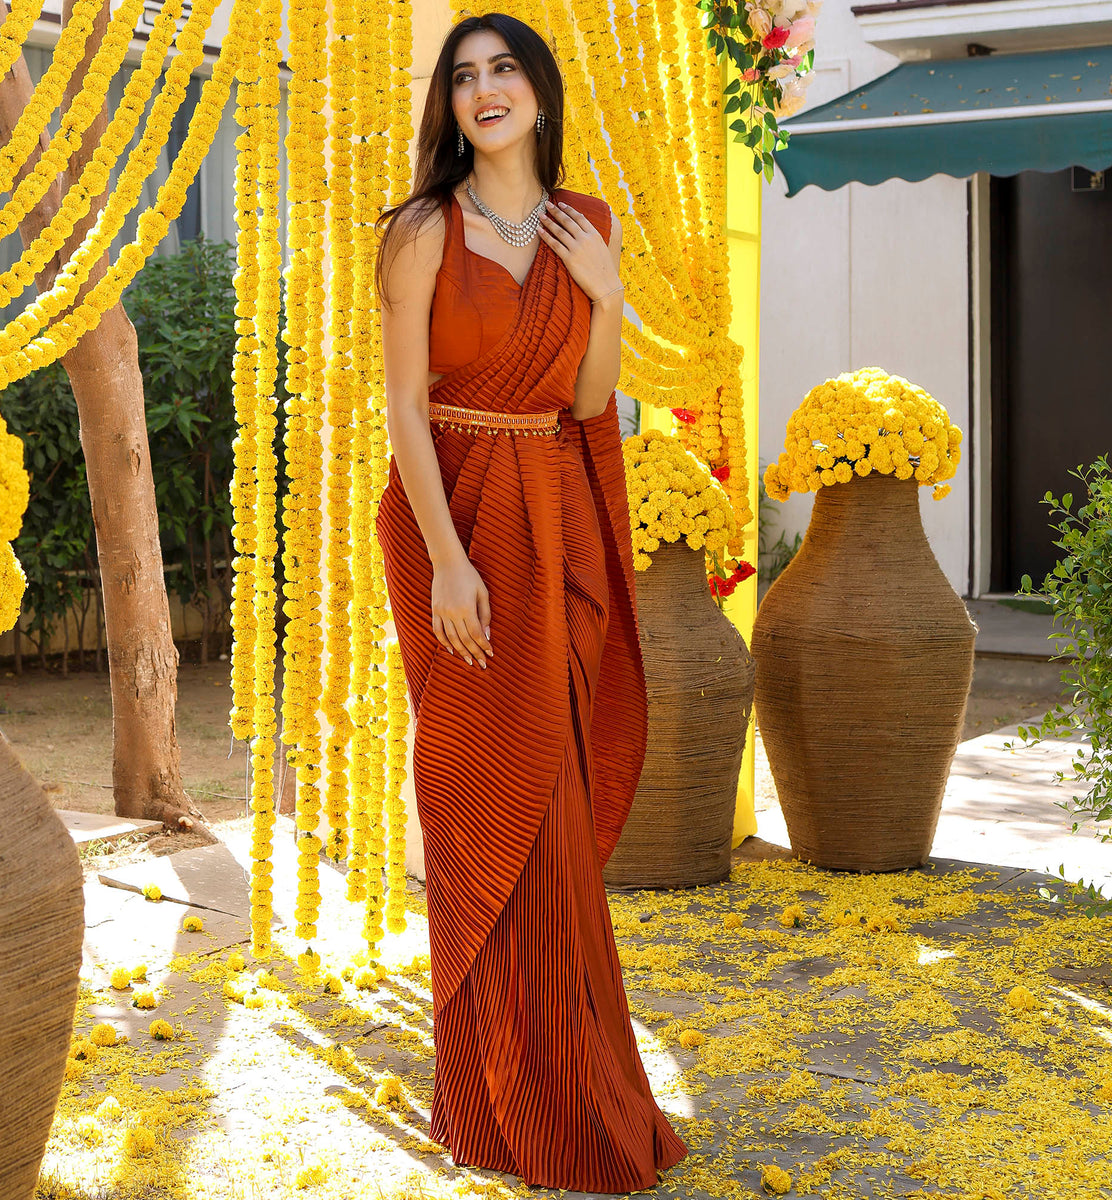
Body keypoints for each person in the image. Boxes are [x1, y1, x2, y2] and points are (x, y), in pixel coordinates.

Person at [374, 12, 688, 1193]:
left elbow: (588, 400)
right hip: (454, 517)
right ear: (450, 108)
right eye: (464, 78)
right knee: (476, 793)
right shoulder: (417, 233)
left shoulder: (588, 226)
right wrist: (453, 563)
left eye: (504, 70)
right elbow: (406, 407)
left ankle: (567, 1097)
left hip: (555, 516)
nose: (484, 90)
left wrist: (605, 295)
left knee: (551, 795)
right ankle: (495, 1098)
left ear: (541, 93)